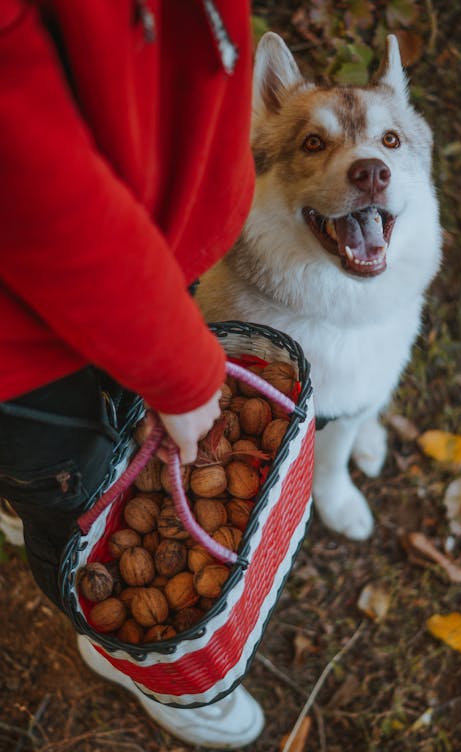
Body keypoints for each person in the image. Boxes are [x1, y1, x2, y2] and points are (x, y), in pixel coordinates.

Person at [0, 1, 264, 747]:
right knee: (73, 497)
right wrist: (180, 376)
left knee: (73, 461)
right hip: (26, 339)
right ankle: (139, 657)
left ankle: (28, 492)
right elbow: (37, 194)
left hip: (148, 243)